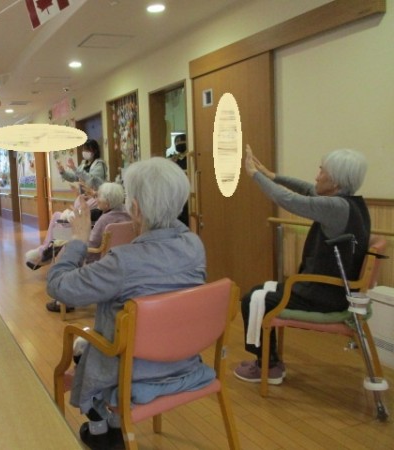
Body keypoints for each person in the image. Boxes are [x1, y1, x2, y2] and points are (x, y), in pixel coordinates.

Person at [47, 157, 211, 450]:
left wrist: (79, 239)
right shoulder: (195, 246)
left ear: (134, 208)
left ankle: (101, 425)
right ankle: (113, 424)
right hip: (184, 361)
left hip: (134, 371)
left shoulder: (123, 262)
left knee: (86, 344)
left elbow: (58, 287)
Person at [234, 145, 370, 385]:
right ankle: (269, 361)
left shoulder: (336, 208)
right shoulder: (352, 204)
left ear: (335, 182)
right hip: (336, 292)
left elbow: (289, 200)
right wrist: (272, 176)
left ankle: (268, 366)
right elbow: (307, 189)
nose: (317, 176)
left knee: (252, 298)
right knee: (258, 293)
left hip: (323, 296)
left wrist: (254, 175)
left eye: (322, 171)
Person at [44, 182, 131, 313]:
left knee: (67, 249)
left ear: (107, 203)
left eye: (99, 197)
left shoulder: (105, 219)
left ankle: (63, 300)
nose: (97, 200)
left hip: (98, 257)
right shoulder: (127, 214)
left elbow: (91, 243)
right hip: (119, 257)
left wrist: (77, 238)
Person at [25, 176, 104, 271]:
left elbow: (79, 213)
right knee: (57, 218)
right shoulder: (85, 197)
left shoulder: (95, 201)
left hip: (80, 230)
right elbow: (76, 210)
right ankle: (46, 251)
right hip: (74, 226)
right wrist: (79, 196)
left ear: (94, 188)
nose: (85, 189)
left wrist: (80, 200)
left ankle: (45, 251)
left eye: (87, 187)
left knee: (57, 225)